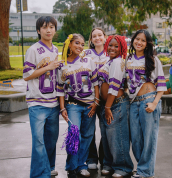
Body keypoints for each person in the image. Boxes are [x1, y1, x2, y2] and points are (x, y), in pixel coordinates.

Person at [56, 34, 99, 178]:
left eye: (82, 44)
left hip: (89, 105)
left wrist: (96, 102)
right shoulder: (62, 64)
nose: (80, 46)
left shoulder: (88, 61)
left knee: (87, 135)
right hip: (73, 105)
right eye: (77, 43)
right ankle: (72, 166)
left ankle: (82, 165)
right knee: (74, 135)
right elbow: (60, 88)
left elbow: (95, 83)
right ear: (69, 43)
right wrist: (62, 108)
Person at [125, 29, 167, 178]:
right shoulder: (128, 59)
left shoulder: (153, 60)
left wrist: (154, 103)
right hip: (133, 103)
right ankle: (144, 168)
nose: (139, 42)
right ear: (133, 40)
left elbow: (161, 85)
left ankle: (145, 171)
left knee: (149, 138)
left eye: (143, 40)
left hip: (149, 101)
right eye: (137, 39)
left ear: (147, 43)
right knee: (135, 139)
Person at [23, 16, 61, 178]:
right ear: (39, 31)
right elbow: (27, 74)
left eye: (51, 27)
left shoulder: (55, 50)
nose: (48, 30)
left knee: (51, 140)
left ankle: (49, 167)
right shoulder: (33, 49)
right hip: (37, 103)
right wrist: (49, 67)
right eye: (44, 27)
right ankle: (39, 174)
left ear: (55, 30)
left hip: (53, 102)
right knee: (38, 142)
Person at [98, 35, 133, 178]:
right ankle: (109, 164)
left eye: (116, 46)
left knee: (117, 136)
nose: (112, 48)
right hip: (106, 104)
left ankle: (123, 167)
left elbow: (114, 86)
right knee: (107, 137)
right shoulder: (110, 61)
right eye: (110, 45)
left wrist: (108, 107)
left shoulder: (118, 62)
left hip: (115, 105)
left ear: (122, 48)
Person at [84, 27, 109, 170]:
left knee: (106, 130)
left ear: (105, 36)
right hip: (90, 98)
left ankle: (105, 160)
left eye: (100, 35)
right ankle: (91, 158)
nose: (97, 38)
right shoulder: (85, 54)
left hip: (105, 98)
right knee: (89, 130)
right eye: (94, 36)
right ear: (91, 39)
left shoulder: (110, 52)